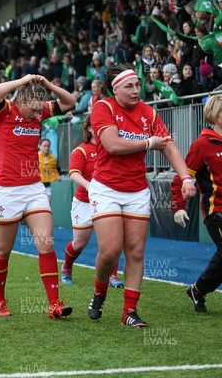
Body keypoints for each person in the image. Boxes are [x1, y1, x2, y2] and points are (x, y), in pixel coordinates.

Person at [87, 64, 196, 327]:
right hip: (106, 188)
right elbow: (113, 145)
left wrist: (186, 178)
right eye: (129, 86)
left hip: (137, 190)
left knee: (135, 252)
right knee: (110, 251)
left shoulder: (148, 111)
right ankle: (99, 292)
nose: (136, 90)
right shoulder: (105, 108)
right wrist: (148, 143)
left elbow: (168, 146)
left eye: (138, 84)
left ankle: (129, 311)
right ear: (116, 89)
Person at [0, 73, 76, 319]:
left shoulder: (40, 113)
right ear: (21, 101)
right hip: (7, 191)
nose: (37, 111)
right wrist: (23, 80)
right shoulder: (5, 111)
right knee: (3, 251)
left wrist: (48, 84)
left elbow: (70, 102)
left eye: (40, 105)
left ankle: (55, 303)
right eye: (33, 105)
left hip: (34, 188)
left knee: (45, 243)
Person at [171, 95, 222, 313]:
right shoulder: (201, 145)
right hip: (216, 211)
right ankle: (199, 290)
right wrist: (178, 206)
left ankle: (198, 290)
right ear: (216, 114)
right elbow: (180, 178)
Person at [61, 117, 123, 288]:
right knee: (79, 243)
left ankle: (112, 274)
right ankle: (67, 267)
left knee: (112, 242)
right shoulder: (81, 151)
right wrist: (90, 186)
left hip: (107, 202)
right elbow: (74, 173)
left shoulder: (111, 148)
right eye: (97, 126)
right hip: (85, 202)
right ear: (88, 128)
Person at [38, 138, 61, 203]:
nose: (47, 148)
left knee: (47, 204)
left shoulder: (53, 158)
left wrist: (58, 176)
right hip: (36, 185)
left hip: (47, 185)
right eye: (44, 146)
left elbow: (57, 169)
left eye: (48, 146)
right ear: (39, 146)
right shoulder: (35, 157)